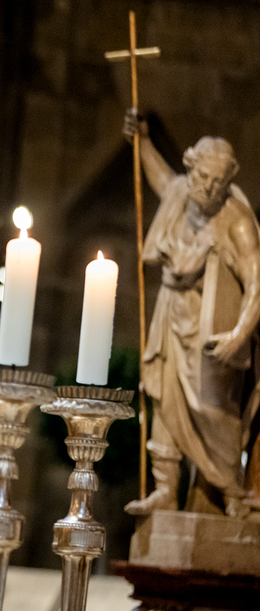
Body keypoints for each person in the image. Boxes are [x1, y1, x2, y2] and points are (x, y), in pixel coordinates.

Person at [122, 111, 260, 518]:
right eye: (202, 176)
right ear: (191, 167)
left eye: (218, 181)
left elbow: (257, 284)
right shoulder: (181, 193)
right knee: (163, 396)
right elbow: (161, 179)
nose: (208, 187)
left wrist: (238, 334)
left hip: (211, 328)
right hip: (171, 311)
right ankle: (165, 488)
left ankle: (232, 492)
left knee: (212, 410)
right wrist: (142, 141)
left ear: (228, 181)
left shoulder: (237, 223)